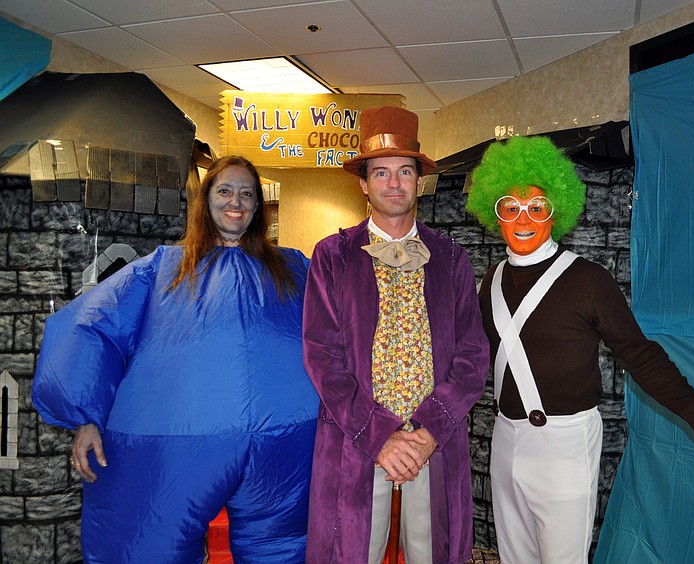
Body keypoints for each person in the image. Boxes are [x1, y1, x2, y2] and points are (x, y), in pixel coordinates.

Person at [465, 136, 694, 564]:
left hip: (564, 443)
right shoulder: (490, 283)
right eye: (511, 206)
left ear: (555, 213)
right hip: (505, 439)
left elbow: (640, 355)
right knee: (514, 557)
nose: (524, 218)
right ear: (494, 213)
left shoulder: (588, 281)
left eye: (537, 207)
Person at [33, 155, 318, 563]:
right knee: (150, 543)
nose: (235, 201)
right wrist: (86, 416)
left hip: (285, 445)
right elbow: (93, 324)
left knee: (285, 549)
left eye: (246, 194)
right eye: (225, 191)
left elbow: (341, 330)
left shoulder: (293, 268)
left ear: (257, 207)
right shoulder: (162, 269)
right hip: (175, 445)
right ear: (206, 201)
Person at [302, 106, 489, 564]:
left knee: (434, 552)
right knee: (352, 552)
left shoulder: (450, 258)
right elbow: (321, 354)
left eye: (405, 171)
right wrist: (380, 435)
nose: (393, 183)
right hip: (358, 436)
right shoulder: (333, 256)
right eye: (380, 172)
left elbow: (472, 355)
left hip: (433, 439)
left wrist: (428, 432)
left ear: (419, 181)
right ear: (363, 183)